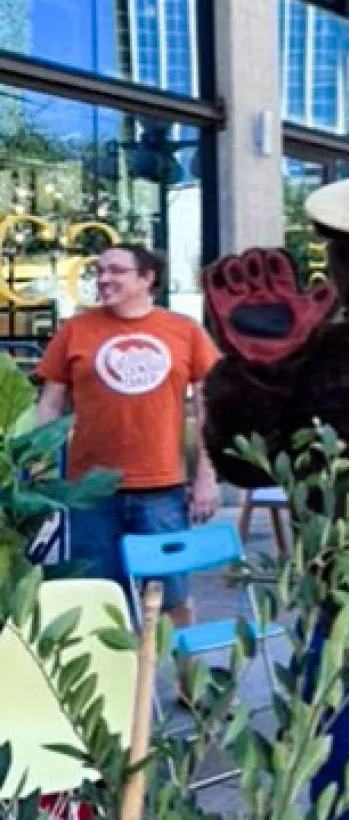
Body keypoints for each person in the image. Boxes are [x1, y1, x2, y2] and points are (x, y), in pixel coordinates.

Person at [35, 245, 221, 625]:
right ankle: (113, 683)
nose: (103, 279)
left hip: (162, 488)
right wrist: (39, 466)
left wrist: (207, 477)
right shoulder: (75, 330)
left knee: (171, 596)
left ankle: (181, 682)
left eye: (116, 271)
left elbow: (210, 411)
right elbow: (50, 405)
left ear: (147, 277)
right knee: (96, 596)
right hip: (89, 491)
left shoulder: (184, 332)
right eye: (99, 271)